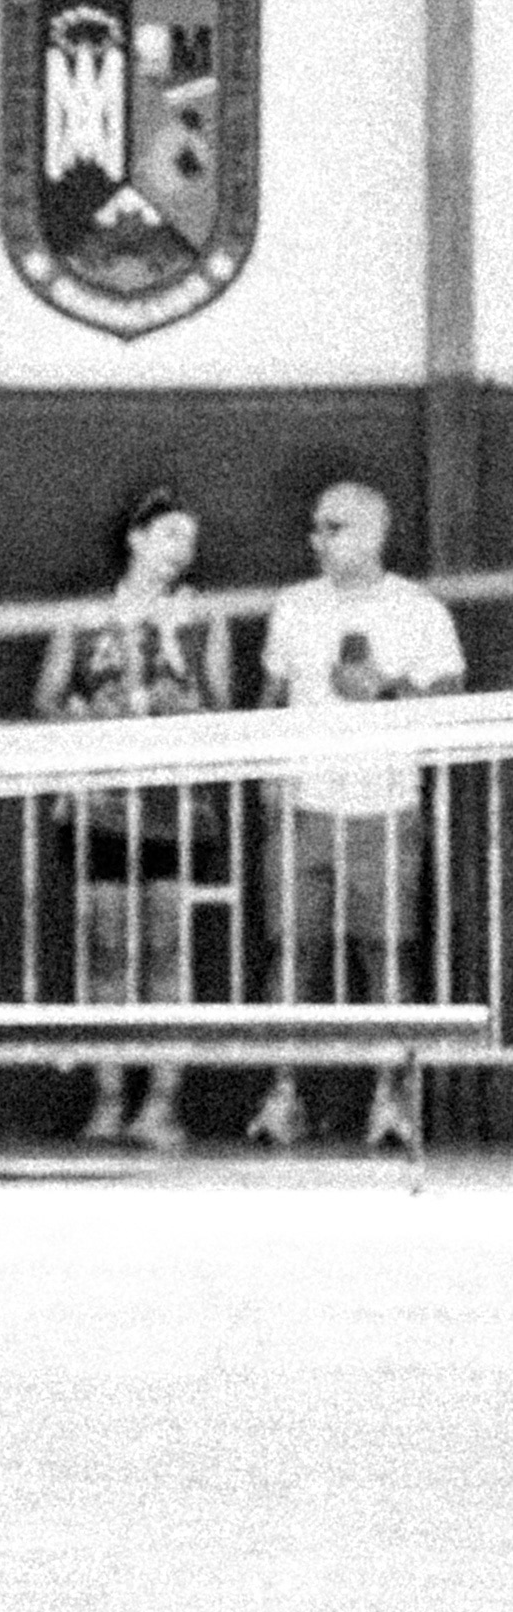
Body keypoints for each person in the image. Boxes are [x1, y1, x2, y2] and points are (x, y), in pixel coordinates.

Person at [245, 480, 465, 1153]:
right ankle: (282, 1096)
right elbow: (272, 694)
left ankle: (390, 1102)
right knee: (290, 950)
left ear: (374, 533)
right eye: (315, 527)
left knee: (387, 951)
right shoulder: (293, 607)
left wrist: (386, 692)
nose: (317, 539)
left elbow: (452, 700)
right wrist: (267, 770)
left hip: (385, 803)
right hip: (304, 802)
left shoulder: (418, 611)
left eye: (333, 527)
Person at [34, 486, 232, 1153]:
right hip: (99, 807)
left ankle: (162, 1103)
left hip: (175, 810)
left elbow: (222, 709)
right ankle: (108, 1098)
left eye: (190, 540)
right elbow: (47, 698)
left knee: (167, 949)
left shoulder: (203, 616)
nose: (182, 550)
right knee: (105, 948)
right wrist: (87, 716)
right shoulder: (86, 615)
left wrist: (182, 708)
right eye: (171, 534)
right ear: (136, 538)